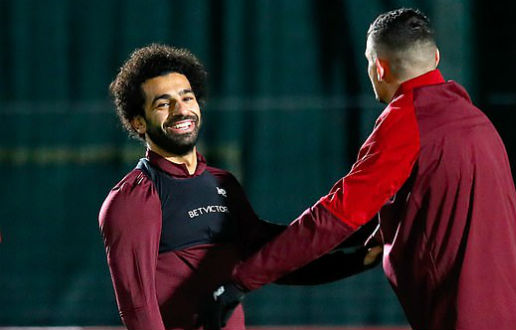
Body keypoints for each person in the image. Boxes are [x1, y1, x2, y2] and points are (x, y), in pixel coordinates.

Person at [212, 8, 516, 330]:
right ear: (435, 59)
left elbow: (336, 216)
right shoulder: (475, 121)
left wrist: (243, 278)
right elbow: (435, 207)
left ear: (379, 69)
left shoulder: (406, 121)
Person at [99, 44, 382, 330]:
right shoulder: (134, 198)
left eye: (187, 97)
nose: (181, 110)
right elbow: (138, 308)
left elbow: (272, 257)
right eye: (163, 103)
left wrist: (355, 257)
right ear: (138, 122)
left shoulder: (223, 183)